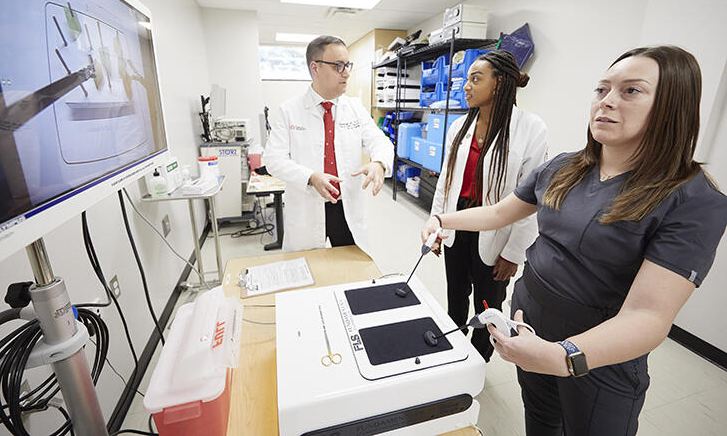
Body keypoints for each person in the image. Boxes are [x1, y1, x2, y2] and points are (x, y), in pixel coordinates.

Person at [421, 45, 727, 435]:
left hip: (597, 358)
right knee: (541, 422)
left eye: (630, 91)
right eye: (602, 90)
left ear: (673, 106)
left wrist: (561, 356)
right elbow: (500, 212)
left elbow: (649, 316)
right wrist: (442, 219)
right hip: (530, 327)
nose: (607, 102)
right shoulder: (565, 167)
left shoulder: (692, 200)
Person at [431, 49, 547, 362]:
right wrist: (438, 224)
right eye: (466, 79)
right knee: (456, 294)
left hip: (499, 231)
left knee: (488, 305)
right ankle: (452, 351)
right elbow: (446, 181)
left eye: (475, 79)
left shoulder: (531, 128)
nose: (465, 86)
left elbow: (530, 198)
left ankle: (478, 360)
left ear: (499, 84)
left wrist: (514, 253)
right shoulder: (459, 128)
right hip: (460, 223)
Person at [264, 35, 394, 254]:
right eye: (338, 66)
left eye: (347, 65)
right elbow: (273, 160)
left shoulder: (354, 108)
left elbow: (379, 140)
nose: (346, 72)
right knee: (307, 272)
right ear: (315, 68)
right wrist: (311, 176)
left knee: (352, 269)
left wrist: (379, 163)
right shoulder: (289, 110)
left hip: (346, 206)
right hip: (308, 206)